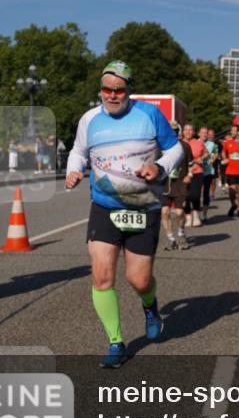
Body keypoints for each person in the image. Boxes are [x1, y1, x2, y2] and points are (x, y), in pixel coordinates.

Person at [65, 60, 184, 368]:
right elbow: (78, 151)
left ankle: (149, 306)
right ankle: (115, 342)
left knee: (139, 279)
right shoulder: (89, 118)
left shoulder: (149, 114)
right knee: (102, 275)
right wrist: (74, 170)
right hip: (105, 206)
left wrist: (158, 167)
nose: (112, 95)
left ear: (130, 90)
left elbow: (176, 149)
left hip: (144, 206)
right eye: (107, 89)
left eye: (119, 90)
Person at [160, 121, 192, 250]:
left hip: (180, 184)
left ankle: (181, 233)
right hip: (165, 184)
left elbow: (191, 164)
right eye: (170, 130)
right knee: (165, 211)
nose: (172, 133)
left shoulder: (184, 146)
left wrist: (189, 175)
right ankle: (170, 239)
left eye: (174, 131)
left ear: (177, 132)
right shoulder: (160, 147)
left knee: (179, 212)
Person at [182, 124, 206, 228]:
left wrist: (202, 158)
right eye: (186, 130)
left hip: (197, 171)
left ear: (193, 132)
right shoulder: (179, 143)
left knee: (195, 195)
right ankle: (188, 217)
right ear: (183, 131)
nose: (188, 132)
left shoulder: (198, 143)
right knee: (185, 196)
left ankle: (196, 214)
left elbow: (206, 153)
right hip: (183, 173)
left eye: (190, 130)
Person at [198, 126, 217, 222]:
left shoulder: (212, 144)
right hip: (196, 171)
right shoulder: (195, 143)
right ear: (199, 134)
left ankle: (205, 214)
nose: (205, 135)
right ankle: (196, 213)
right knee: (196, 193)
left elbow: (216, 154)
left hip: (208, 171)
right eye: (203, 133)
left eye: (206, 133)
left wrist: (212, 160)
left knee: (205, 193)